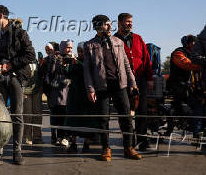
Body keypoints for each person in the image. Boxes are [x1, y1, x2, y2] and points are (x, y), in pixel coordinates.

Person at [83, 14, 141, 161]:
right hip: (101, 87)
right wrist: (90, 89)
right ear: (98, 26)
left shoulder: (118, 42)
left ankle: (129, 148)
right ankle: (106, 148)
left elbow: (127, 65)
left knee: (126, 117)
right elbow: (87, 71)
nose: (110, 27)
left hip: (119, 85)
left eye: (110, 24)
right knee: (103, 119)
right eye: (106, 24)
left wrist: (133, 83)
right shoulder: (89, 45)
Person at [0, 5, 35, 165]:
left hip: (17, 77)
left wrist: (11, 65)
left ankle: (17, 151)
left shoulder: (20, 33)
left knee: (17, 115)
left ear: (0, 15)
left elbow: (30, 55)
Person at [114, 13, 153, 151]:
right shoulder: (113, 39)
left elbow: (147, 59)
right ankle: (129, 141)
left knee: (142, 110)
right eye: (127, 22)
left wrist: (149, 78)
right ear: (119, 23)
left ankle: (143, 140)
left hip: (140, 79)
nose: (130, 24)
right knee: (125, 111)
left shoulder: (138, 38)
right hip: (122, 81)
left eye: (131, 22)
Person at [65, 42, 98, 153]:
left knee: (87, 120)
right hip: (74, 95)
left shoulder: (90, 62)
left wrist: (78, 63)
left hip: (87, 95)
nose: (80, 53)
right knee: (73, 121)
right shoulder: (74, 62)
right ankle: (73, 143)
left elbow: (90, 72)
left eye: (82, 51)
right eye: (79, 51)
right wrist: (66, 67)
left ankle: (86, 143)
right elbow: (68, 74)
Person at [167, 35, 201, 135]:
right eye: (194, 43)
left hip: (188, 86)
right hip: (178, 86)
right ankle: (197, 133)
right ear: (190, 44)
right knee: (197, 105)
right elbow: (187, 64)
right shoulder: (178, 53)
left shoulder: (193, 54)